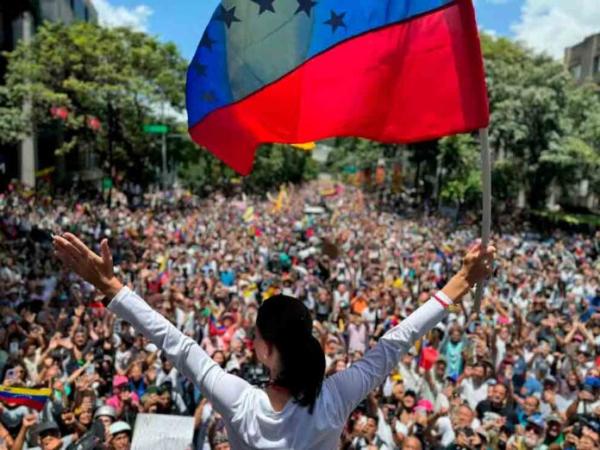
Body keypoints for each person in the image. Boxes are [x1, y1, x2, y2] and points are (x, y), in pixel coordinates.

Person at [53, 232, 495, 450]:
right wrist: (458, 282)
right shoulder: (336, 398)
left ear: (264, 349)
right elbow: (394, 344)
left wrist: (111, 286)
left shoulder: (239, 402)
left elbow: (179, 345)